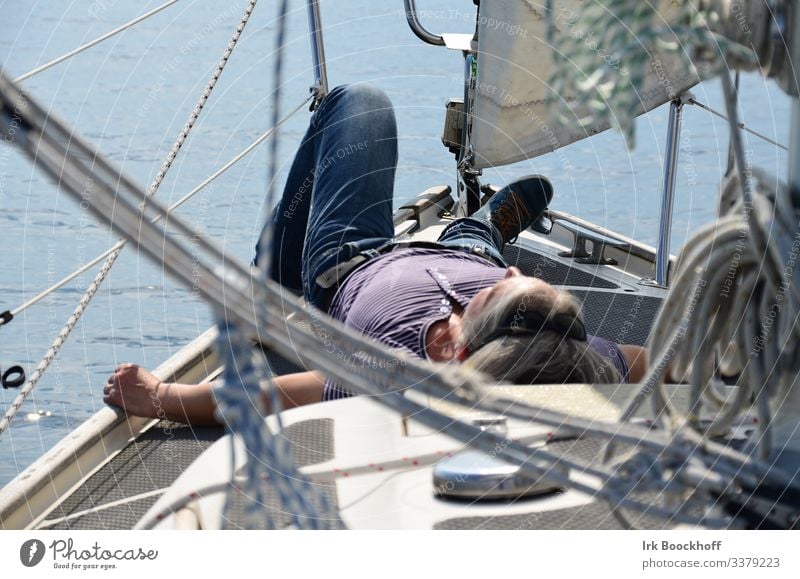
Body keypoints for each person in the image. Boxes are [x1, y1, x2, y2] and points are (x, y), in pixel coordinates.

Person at [104, 85, 647, 426]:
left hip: (355, 260)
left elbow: (265, 398)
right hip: (464, 258)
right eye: (524, 278)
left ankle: (271, 283)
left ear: (458, 347)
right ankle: (482, 230)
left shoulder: (397, 374)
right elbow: (657, 358)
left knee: (361, 104)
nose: (516, 273)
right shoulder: (556, 343)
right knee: (481, 246)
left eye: (505, 288)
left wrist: (162, 396)